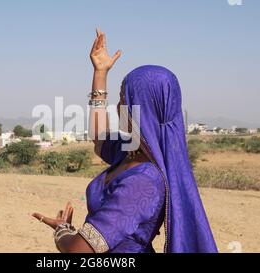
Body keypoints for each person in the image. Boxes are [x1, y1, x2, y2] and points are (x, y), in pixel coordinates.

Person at [32, 28, 217, 253]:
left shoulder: (143, 182)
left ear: (143, 109)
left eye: (123, 99)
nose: (119, 107)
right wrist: (100, 74)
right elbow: (100, 137)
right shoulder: (131, 151)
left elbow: (78, 251)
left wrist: (63, 231)